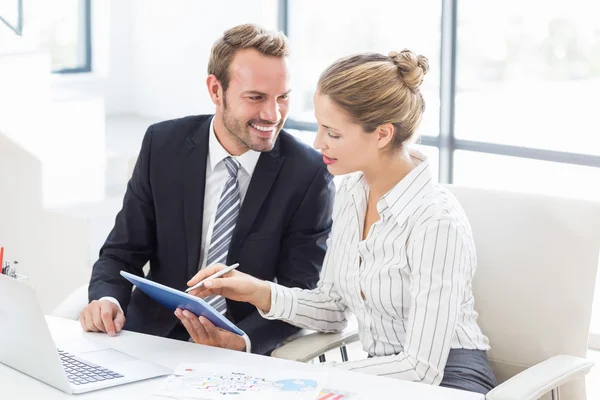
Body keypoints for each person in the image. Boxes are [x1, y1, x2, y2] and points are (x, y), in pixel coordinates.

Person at [185, 50, 497, 394]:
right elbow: (333, 310)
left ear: (382, 134)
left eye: (332, 133)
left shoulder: (436, 221)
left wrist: (319, 379)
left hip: (445, 382)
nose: (318, 143)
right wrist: (256, 290)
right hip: (378, 375)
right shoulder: (351, 193)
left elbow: (422, 368)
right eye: (320, 127)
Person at [80, 24, 335, 356]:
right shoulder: (163, 145)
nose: (273, 114)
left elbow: (299, 292)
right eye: (256, 97)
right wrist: (107, 299)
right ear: (216, 90)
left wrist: (243, 341)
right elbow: (121, 252)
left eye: (283, 97)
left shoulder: (308, 173)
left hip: (239, 347)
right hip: (151, 337)